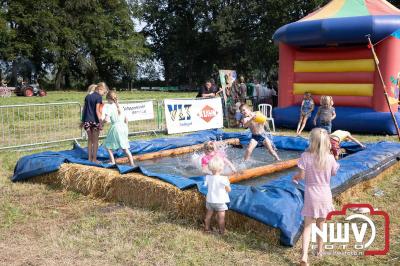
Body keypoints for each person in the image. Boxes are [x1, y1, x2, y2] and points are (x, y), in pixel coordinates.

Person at [292, 128, 340, 265]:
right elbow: (334, 173)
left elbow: (301, 176)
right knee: (321, 225)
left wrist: (295, 178)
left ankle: (304, 256)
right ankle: (319, 251)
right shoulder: (330, 158)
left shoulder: (305, 156)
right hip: (325, 194)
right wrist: (335, 156)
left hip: (311, 194)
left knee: (307, 226)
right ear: (327, 143)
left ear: (311, 141)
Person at [103, 90, 135, 167]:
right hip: (124, 127)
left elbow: (106, 120)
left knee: (107, 145)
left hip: (116, 128)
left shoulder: (109, 107)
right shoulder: (120, 106)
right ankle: (132, 163)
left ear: (109, 99)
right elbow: (126, 119)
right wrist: (126, 128)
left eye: (107, 99)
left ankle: (113, 161)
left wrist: (101, 122)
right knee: (125, 147)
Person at [203, 156, 231, 235]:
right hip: (220, 201)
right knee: (221, 218)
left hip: (210, 201)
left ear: (210, 168)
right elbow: (228, 189)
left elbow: (207, 185)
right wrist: (227, 188)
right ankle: (222, 232)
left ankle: (206, 229)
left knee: (208, 216)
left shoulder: (208, 177)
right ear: (221, 168)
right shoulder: (224, 178)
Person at [82, 82, 107, 163]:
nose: (103, 94)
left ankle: (89, 158)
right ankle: (94, 159)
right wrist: (100, 122)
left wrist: (83, 121)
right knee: (95, 141)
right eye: (104, 92)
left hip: (87, 120)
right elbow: (97, 110)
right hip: (95, 121)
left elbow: (84, 110)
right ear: (100, 89)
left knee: (89, 140)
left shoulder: (87, 96)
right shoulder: (98, 97)